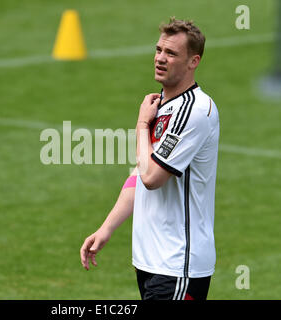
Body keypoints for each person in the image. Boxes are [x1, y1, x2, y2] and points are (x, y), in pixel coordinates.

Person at [80, 18, 220, 300]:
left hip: (178, 264)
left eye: (171, 53)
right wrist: (107, 228)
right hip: (150, 261)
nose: (160, 58)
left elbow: (153, 178)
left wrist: (142, 126)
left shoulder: (194, 110)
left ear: (194, 61)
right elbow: (138, 175)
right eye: (158, 50)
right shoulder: (162, 104)